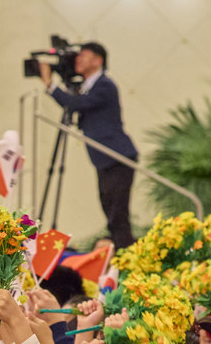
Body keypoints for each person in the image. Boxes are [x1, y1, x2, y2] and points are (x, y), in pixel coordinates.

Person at [40, 42, 138, 248]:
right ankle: (124, 252)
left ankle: (127, 256)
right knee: (109, 209)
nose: (78, 60)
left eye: (83, 56)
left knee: (117, 214)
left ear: (97, 60)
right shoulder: (87, 87)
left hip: (117, 157)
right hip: (104, 160)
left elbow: (78, 104)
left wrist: (50, 84)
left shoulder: (104, 85)